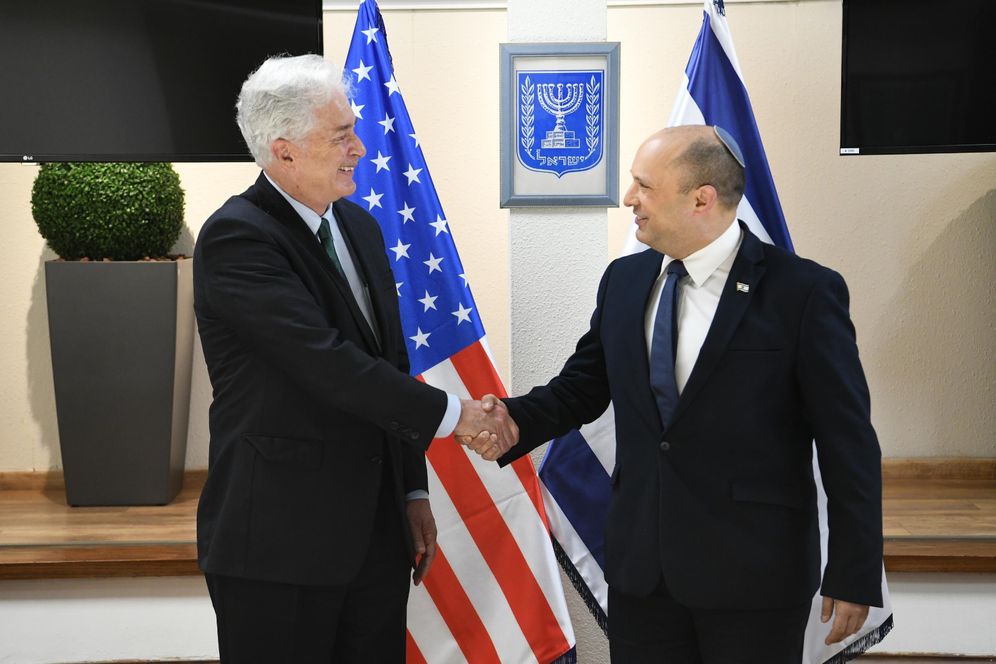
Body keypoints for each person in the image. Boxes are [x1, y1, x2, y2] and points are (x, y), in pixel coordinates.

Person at [465, 125, 883, 663]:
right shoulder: (625, 280)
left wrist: (853, 569)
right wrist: (512, 421)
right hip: (644, 571)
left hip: (755, 579)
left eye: (644, 185)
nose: (629, 199)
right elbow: (582, 386)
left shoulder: (802, 292)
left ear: (701, 199)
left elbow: (847, 441)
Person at [193, 54, 515, 663]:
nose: (360, 149)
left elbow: (390, 365)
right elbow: (327, 363)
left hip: (374, 538)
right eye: (341, 135)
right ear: (283, 151)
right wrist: (461, 417)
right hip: (278, 549)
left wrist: (413, 492)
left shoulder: (361, 228)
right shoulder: (237, 238)